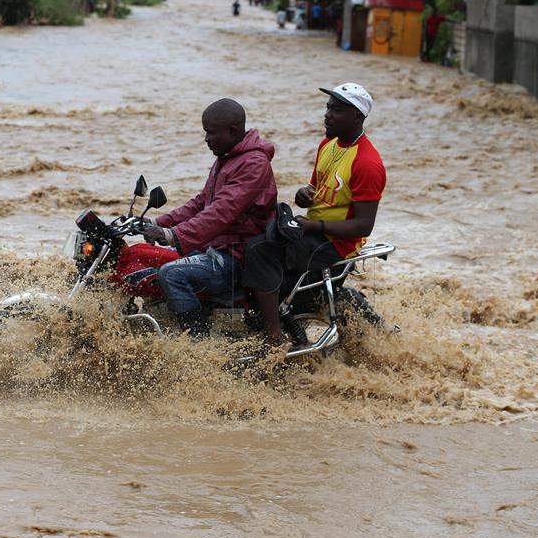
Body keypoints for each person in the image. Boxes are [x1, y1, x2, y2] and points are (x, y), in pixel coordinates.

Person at [242, 83, 385, 350]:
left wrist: (313, 226)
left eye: (337, 110)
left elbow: (364, 225)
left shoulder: (367, 162)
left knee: (260, 249)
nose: (327, 115)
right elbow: (316, 189)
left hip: (335, 245)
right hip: (313, 230)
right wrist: (303, 195)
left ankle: (273, 336)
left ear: (357, 116)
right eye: (328, 107)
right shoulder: (328, 145)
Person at [143, 99, 277, 337]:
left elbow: (221, 213)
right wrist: (157, 222)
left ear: (232, 131)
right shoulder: (227, 157)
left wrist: (173, 235)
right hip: (216, 247)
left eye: (211, 133)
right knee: (148, 263)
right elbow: (201, 203)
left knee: (171, 274)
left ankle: (198, 347)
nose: (206, 139)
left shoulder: (253, 164)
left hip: (237, 255)